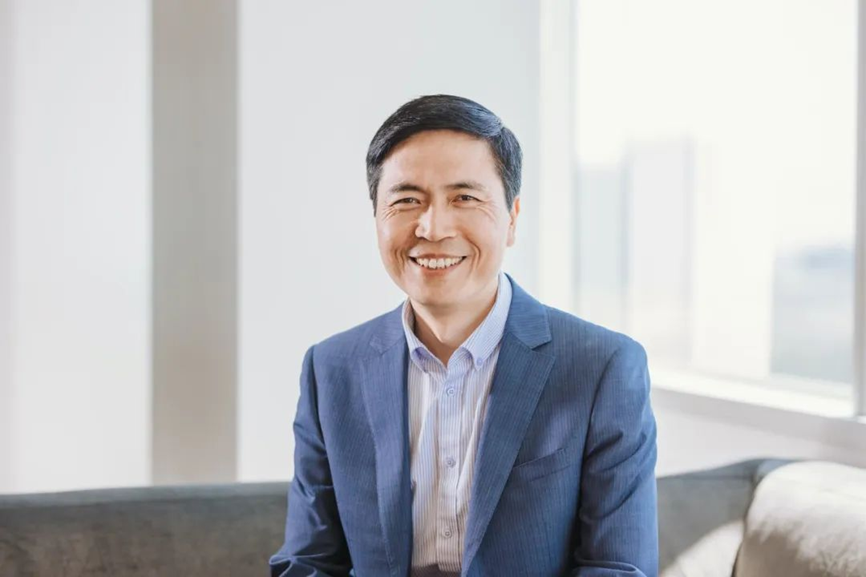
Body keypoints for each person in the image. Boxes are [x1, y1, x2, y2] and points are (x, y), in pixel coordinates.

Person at [269, 94, 658, 577]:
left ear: (512, 218)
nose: (432, 228)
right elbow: (308, 561)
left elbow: (617, 567)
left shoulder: (603, 367)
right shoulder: (331, 370)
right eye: (407, 200)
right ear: (376, 218)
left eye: (464, 198)